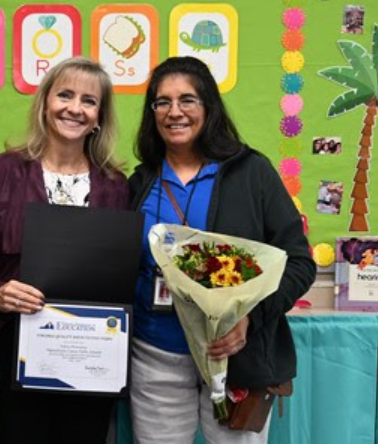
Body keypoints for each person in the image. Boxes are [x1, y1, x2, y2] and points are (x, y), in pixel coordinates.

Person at [128, 56, 315, 444]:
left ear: (208, 107)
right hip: (154, 355)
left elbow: (298, 262)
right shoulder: (140, 181)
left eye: (187, 100)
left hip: (234, 360)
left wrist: (252, 316)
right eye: (162, 102)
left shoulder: (250, 172)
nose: (174, 112)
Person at [0, 57, 129, 443]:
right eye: (65, 95)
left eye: (88, 100)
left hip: (90, 353)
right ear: (44, 103)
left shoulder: (117, 186)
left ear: (99, 115)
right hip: (13, 345)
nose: (74, 108)